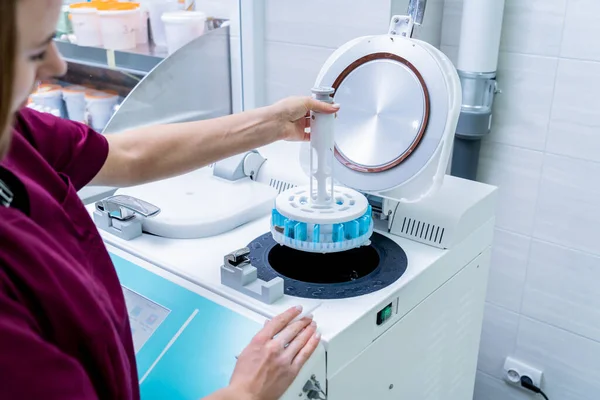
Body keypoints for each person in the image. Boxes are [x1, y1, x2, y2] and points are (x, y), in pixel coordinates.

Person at [0, 1, 339, 399]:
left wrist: (274, 123)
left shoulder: (13, 132)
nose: (57, 66)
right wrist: (246, 392)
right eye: (36, 51)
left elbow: (126, 155)